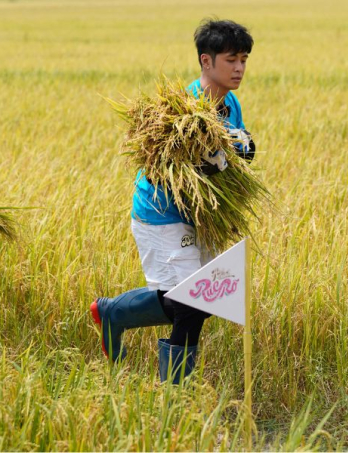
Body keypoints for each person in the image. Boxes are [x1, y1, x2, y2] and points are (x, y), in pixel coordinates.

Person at [90, 19, 256, 384]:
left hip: (200, 217)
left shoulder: (230, 104)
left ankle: (113, 314)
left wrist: (242, 149)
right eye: (231, 60)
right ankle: (174, 397)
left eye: (244, 59)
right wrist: (209, 163)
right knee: (192, 304)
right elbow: (172, 173)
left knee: (202, 297)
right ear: (206, 61)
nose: (240, 68)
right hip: (161, 214)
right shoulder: (180, 111)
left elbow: (237, 156)